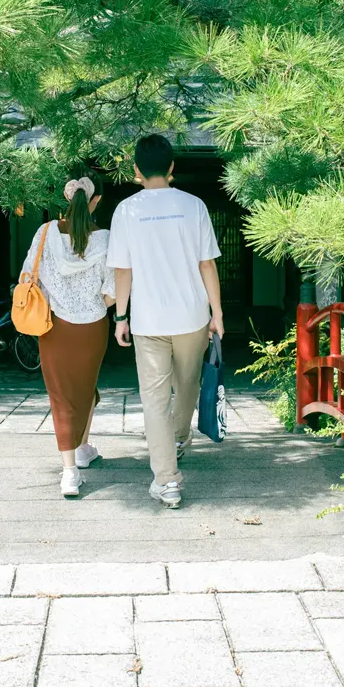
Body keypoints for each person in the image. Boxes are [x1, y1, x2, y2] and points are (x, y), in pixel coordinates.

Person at [109, 134, 224, 510]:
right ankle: (176, 443)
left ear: (136, 170)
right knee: (187, 387)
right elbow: (207, 264)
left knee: (154, 400)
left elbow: (122, 270)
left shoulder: (126, 210)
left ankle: (167, 481)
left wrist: (120, 316)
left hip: (148, 320)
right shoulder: (193, 206)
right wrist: (217, 313)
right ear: (172, 167)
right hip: (192, 315)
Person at [21, 176, 115, 498]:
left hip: (53, 327)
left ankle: (70, 472)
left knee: (61, 396)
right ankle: (82, 448)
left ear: (66, 196)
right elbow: (113, 290)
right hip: (93, 326)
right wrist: (90, 307)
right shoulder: (104, 239)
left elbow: (26, 277)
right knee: (86, 386)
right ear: (96, 200)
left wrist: (59, 303)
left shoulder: (45, 233)